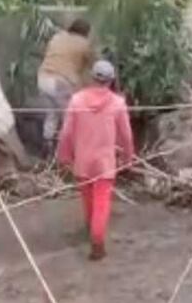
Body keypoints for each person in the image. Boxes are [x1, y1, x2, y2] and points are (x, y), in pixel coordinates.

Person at [56, 60, 134, 261]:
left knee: (88, 200)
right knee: (102, 202)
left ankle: (92, 230)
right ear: (111, 80)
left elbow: (66, 133)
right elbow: (126, 135)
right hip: (105, 163)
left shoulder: (77, 100)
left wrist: (64, 156)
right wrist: (128, 156)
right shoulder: (118, 103)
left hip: (83, 160)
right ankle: (97, 241)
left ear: (92, 77)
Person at [38, 19, 95, 156]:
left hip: (43, 79)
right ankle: (65, 154)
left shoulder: (57, 37)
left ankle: (47, 144)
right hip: (61, 82)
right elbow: (90, 67)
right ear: (86, 32)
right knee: (70, 117)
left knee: (52, 113)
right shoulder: (84, 44)